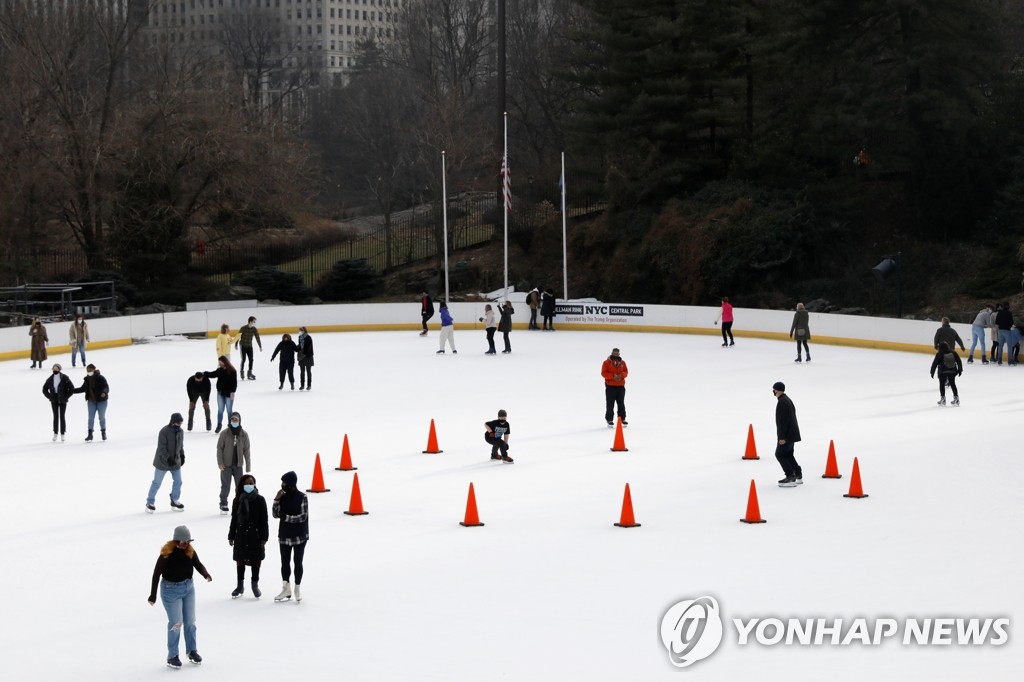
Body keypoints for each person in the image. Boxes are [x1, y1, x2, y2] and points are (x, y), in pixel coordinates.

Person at [147, 525, 212, 669]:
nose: (186, 545)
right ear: (176, 541)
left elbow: (198, 564)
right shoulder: (166, 553)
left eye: (188, 542)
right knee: (176, 623)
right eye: (183, 542)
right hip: (170, 590)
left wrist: (205, 574)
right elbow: (156, 574)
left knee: (190, 622)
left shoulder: (190, 551)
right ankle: (172, 656)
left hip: (188, 588)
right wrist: (153, 595)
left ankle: (192, 651)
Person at [228, 474, 269, 599]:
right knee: (240, 560)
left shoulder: (260, 500)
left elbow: (264, 520)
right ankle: (240, 585)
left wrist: (264, 537)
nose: (250, 486)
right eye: (247, 483)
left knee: (256, 560)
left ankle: (254, 585)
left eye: (252, 483)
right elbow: (234, 519)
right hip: (241, 534)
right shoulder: (238, 500)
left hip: (255, 535)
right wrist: (231, 535)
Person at [273, 471, 309, 603]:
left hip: (299, 535)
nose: (282, 485)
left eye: (284, 483)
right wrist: (276, 500)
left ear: (291, 483)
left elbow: (303, 516)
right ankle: (286, 588)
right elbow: (275, 514)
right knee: (284, 562)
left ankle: (297, 588)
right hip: (284, 535)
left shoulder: (302, 497)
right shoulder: (282, 496)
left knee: (298, 562)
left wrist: (287, 517)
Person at [146, 413, 187, 513]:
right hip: (162, 463)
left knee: (178, 481)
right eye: (178, 422)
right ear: (173, 422)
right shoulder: (164, 431)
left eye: (181, 423)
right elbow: (161, 448)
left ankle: (174, 499)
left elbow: (181, 446)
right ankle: (150, 502)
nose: (180, 424)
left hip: (175, 462)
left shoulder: (181, 431)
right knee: (156, 483)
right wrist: (168, 459)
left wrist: (182, 455)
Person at [217, 411, 251, 514]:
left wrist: (248, 465)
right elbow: (219, 448)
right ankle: (223, 503)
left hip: (238, 465)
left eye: (236, 420)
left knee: (239, 486)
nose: (234, 421)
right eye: (232, 419)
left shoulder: (244, 434)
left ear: (239, 421)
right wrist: (220, 463)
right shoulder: (224, 433)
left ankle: (239, 504)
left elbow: (247, 450)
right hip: (226, 465)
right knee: (225, 485)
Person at [772, 382, 803, 487]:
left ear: (777, 390)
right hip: (792, 434)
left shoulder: (782, 402)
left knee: (780, 454)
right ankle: (797, 473)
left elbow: (782, 422)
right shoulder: (787, 400)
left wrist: (782, 437)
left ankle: (790, 476)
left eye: (774, 389)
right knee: (788, 455)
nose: (773, 391)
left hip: (787, 436)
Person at [72, 363, 109, 442]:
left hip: (102, 401)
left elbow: (106, 387)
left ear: (94, 369)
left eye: (90, 370)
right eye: (87, 370)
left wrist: (104, 392)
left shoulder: (100, 378)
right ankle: (90, 434)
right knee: (90, 418)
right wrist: (71, 391)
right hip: (91, 401)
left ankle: (103, 432)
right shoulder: (87, 379)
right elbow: (82, 389)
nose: (89, 372)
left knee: (101, 417)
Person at [204, 356, 238, 433]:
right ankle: (219, 425)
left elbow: (234, 384)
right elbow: (212, 374)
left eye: (221, 362)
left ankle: (231, 425)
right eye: (219, 363)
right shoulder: (220, 370)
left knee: (229, 410)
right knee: (220, 410)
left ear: (225, 362)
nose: (219, 364)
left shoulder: (232, 371)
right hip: (220, 393)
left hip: (229, 394)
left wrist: (232, 393)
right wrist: (204, 373)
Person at [42, 362, 75, 442]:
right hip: (54, 399)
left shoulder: (64, 378)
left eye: (56, 368)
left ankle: (62, 433)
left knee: (62, 416)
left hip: (62, 399)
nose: (54, 369)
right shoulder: (50, 379)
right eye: (53, 368)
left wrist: (66, 396)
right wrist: (50, 397)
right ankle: (55, 433)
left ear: (59, 369)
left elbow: (71, 388)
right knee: (55, 416)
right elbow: (44, 389)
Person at [601, 348, 628, 427]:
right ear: (612, 353)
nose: (616, 354)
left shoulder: (623, 362)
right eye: (614, 352)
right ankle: (609, 419)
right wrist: (613, 376)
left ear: (619, 353)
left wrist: (621, 375)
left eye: (617, 353)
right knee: (610, 403)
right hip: (610, 387)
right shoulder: (606, 363)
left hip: (620, 386)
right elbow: (603, 373)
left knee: (621, 403)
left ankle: (622, 419)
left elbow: (626, 372)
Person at [930, 341, 963, 406]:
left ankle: (943, 400)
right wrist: (960, 370)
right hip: (952, 371)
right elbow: (959, 361)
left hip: (943, 371)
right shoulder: (953, 352)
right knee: (953, 384)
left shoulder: (939, 354)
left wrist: (932, 372)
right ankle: (956, 399)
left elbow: (935, 363)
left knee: (942, 385)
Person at [297, 326, 314, 390]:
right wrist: (296, 348)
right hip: (301, 356)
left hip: (308, 356)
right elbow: (300, 346)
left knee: (308, 371)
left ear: (304, 331)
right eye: (299, 330)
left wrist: (304, 353)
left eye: (300, 330)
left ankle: (309, 385)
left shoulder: (308, 337)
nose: (299, 332)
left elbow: (309, 347)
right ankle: (302, 385)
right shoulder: (299, 337)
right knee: (302, 371)